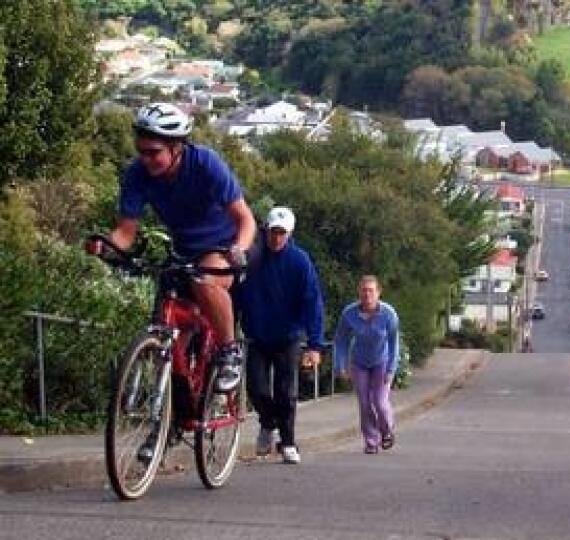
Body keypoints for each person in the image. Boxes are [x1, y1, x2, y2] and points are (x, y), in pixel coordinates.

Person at [87, 103, 256, 394]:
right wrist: (107, 245)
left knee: (205, 282)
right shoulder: (136, 174)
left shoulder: (205, 163)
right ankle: (174, 407)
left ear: (176, 147)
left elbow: (246, 219)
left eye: (154, 152)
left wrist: (239, 249)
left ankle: (230, 352)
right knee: (168, 322)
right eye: (142, 151)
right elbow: (126, 233)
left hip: (222, 247)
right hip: (183, 251)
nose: (146, 159)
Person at [234, 207, 324, 465]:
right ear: (266, 230)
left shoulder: (299, 262)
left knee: (286, 392)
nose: (276, 238)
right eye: (273, 232)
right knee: (256, 387)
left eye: (282, 233)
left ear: (289, 234)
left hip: (288, 336)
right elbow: (236, 293)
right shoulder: (253, 258)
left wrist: (315, 344)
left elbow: (312, 302)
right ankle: (267, 422)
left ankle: (288, 442)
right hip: (257, 335)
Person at [334, 275, 400, 454]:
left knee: (379, 401)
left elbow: (394, 343)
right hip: (359, 363)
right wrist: (340, 365)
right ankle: (371, 441)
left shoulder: (388, 314)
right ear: (359, 292)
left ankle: (387, 430)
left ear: (378, 293)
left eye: (371, 290)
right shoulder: (349, 313)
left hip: (382, 362)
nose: (367, 294)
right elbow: (341, 340)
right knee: (364, 403)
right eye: (364, 290)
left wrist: (392, 369)